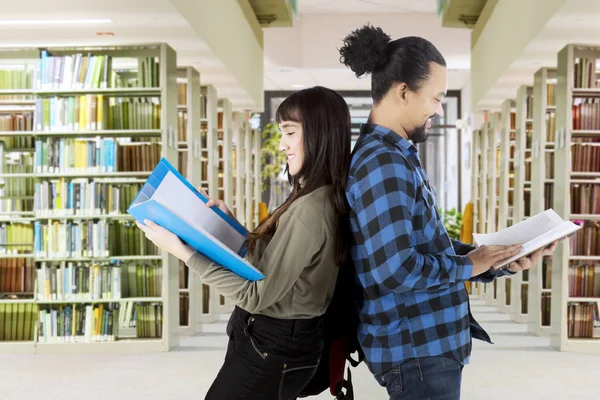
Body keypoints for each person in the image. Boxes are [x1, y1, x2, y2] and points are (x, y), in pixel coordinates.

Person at [339, 24, 558, 400]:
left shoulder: (396, 156)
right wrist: (471, 265)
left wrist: (497, 259)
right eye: (436, 98)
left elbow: (424, 246)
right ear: (403, 92)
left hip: (426, 345)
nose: (439, 110)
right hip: (415, 348)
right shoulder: (382, 163)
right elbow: (395, 270)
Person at [136, 86, 352, 400]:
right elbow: (278, 261)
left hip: (275, 345)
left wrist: (184, 251)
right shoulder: (317, 196)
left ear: (320, 134)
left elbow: (255, 294)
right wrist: (234, 226)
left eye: (289, 133)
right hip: (274, 339)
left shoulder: (310, 210)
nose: (282, 145)